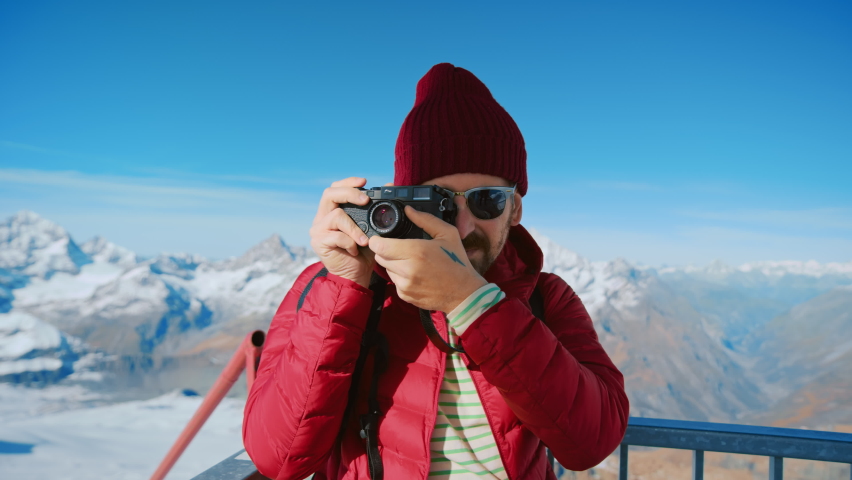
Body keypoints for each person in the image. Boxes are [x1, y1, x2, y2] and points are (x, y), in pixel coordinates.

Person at [243, 63, 629, 480]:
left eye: (487, 202)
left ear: (515, 209)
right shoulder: (337, 287)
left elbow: (593, 440)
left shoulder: (546, 299)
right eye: (440, 202)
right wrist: (345, 287)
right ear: (405, 200)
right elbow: (278, 459)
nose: (461, 228)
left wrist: (473, 303)